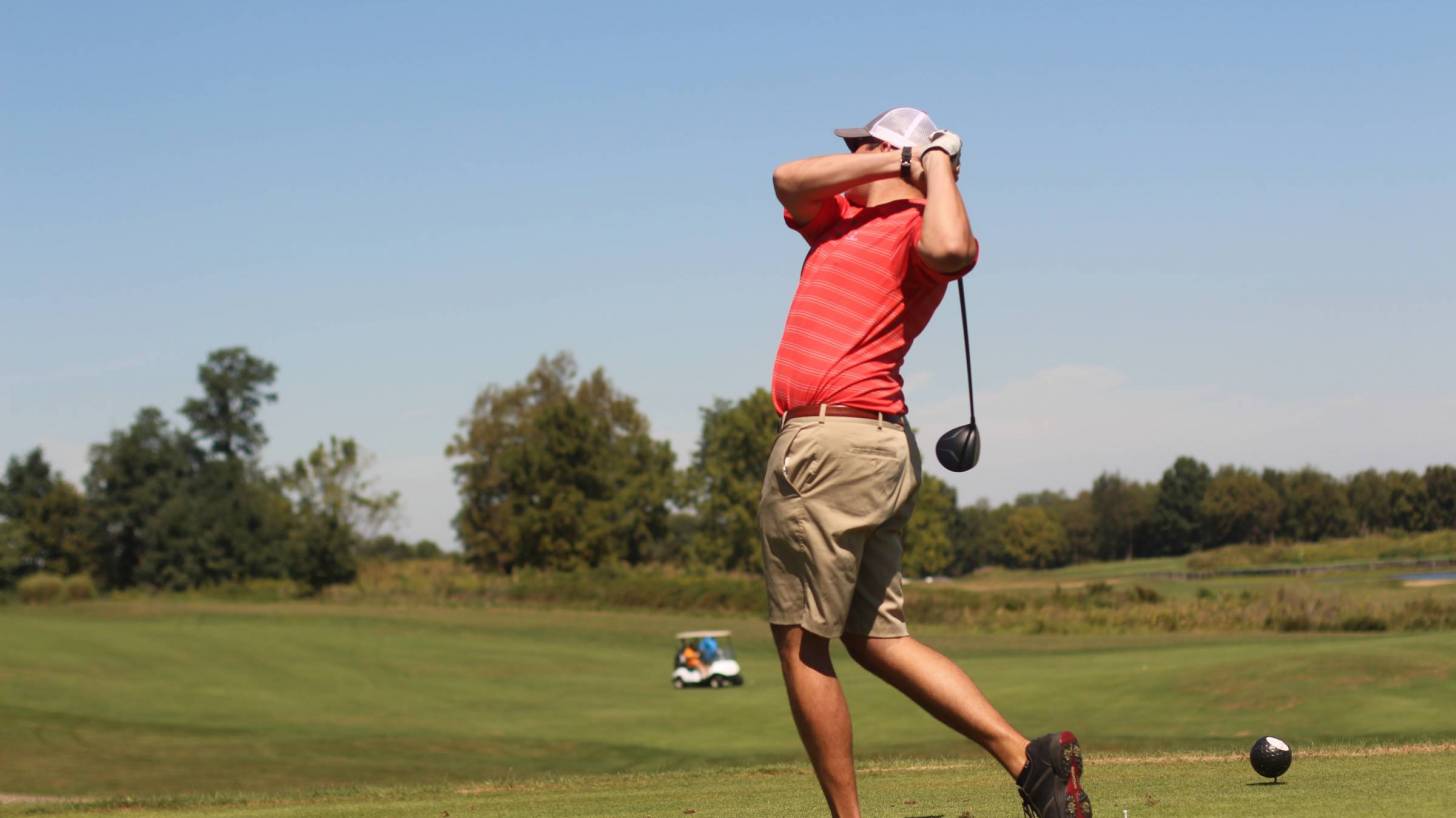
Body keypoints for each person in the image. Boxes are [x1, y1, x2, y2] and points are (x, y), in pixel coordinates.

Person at [758, 107, 1091, 818]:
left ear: (901, 158)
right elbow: (787, 179)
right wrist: (896, 161)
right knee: (875, 638)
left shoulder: (921, 226)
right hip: (866, 450)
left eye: (866, 148)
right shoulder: (838, 217)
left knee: (800, 644)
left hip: (830, 445)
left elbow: (949, 251)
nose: (850, 161)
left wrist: (932, 167)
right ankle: (1027, 763)